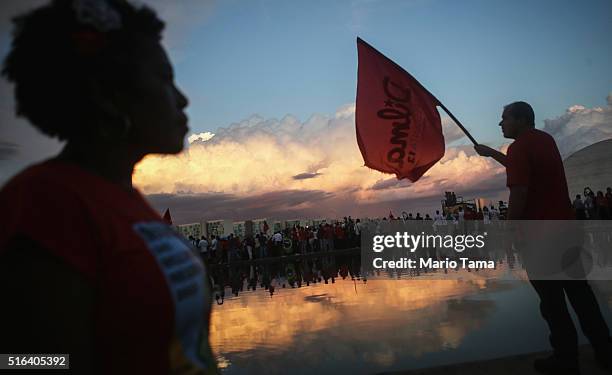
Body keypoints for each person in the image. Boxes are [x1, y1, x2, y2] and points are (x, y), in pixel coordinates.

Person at [0, 1, 218, 374]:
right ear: (108, 96)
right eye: (164, 79)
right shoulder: (47, 204)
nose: (182, 99)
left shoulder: (126, 200)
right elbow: (25, 363)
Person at [475, 101, 611, 374]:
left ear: (522, 120)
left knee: (552, 303)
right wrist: (492, 154)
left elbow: (520, 194)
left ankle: (565, 359)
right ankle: (605, 352)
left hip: (540, 238)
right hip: (565, 232)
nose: (501, 123)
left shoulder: (519, 148)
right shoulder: (544, 141)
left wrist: (509, 232)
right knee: (582, 297)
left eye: (505, 118)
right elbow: (522, 166)